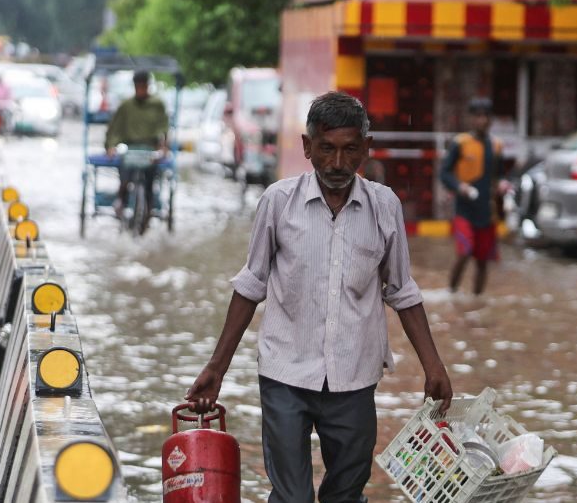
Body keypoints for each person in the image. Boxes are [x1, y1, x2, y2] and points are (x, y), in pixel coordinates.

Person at [186, 91, 452, 503]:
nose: (338, 163)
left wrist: (433, 365)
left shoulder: (385, 207)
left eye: (350, 150)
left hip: (355, 377)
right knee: (291, 497)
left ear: (367, 147)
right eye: (326, 149)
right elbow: (250, 285)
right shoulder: (278, 203)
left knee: (345, 494)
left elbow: (401, 291)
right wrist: (216, 367)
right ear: (307, 147)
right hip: (285, 374)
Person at [440, 97, 506, 295]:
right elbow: (444, 173)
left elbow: (499, 175)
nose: (482, 120)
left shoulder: (496, 146)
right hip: (464, 210)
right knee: (464, 252)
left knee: (483, 261)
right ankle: (451, 293)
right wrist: (460, 187)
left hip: (487, 212)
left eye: (486, 116)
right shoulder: (460, 143)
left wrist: (502, 184)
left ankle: (477, 301)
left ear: (491, 120)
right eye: (478, 116)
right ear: (471, 119)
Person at [104, 70, 169, 214]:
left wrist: (163, 147)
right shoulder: (126, 106)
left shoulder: (157, 105)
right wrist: (110, 147)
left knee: (150, 181)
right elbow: (114, 129)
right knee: (125, 173)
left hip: (150, 148)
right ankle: (121, 198)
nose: (140, 90)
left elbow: (164, 128)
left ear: (147, 86)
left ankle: (149, 207)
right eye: (138, 87)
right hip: (129, 147)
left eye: (143, 86)